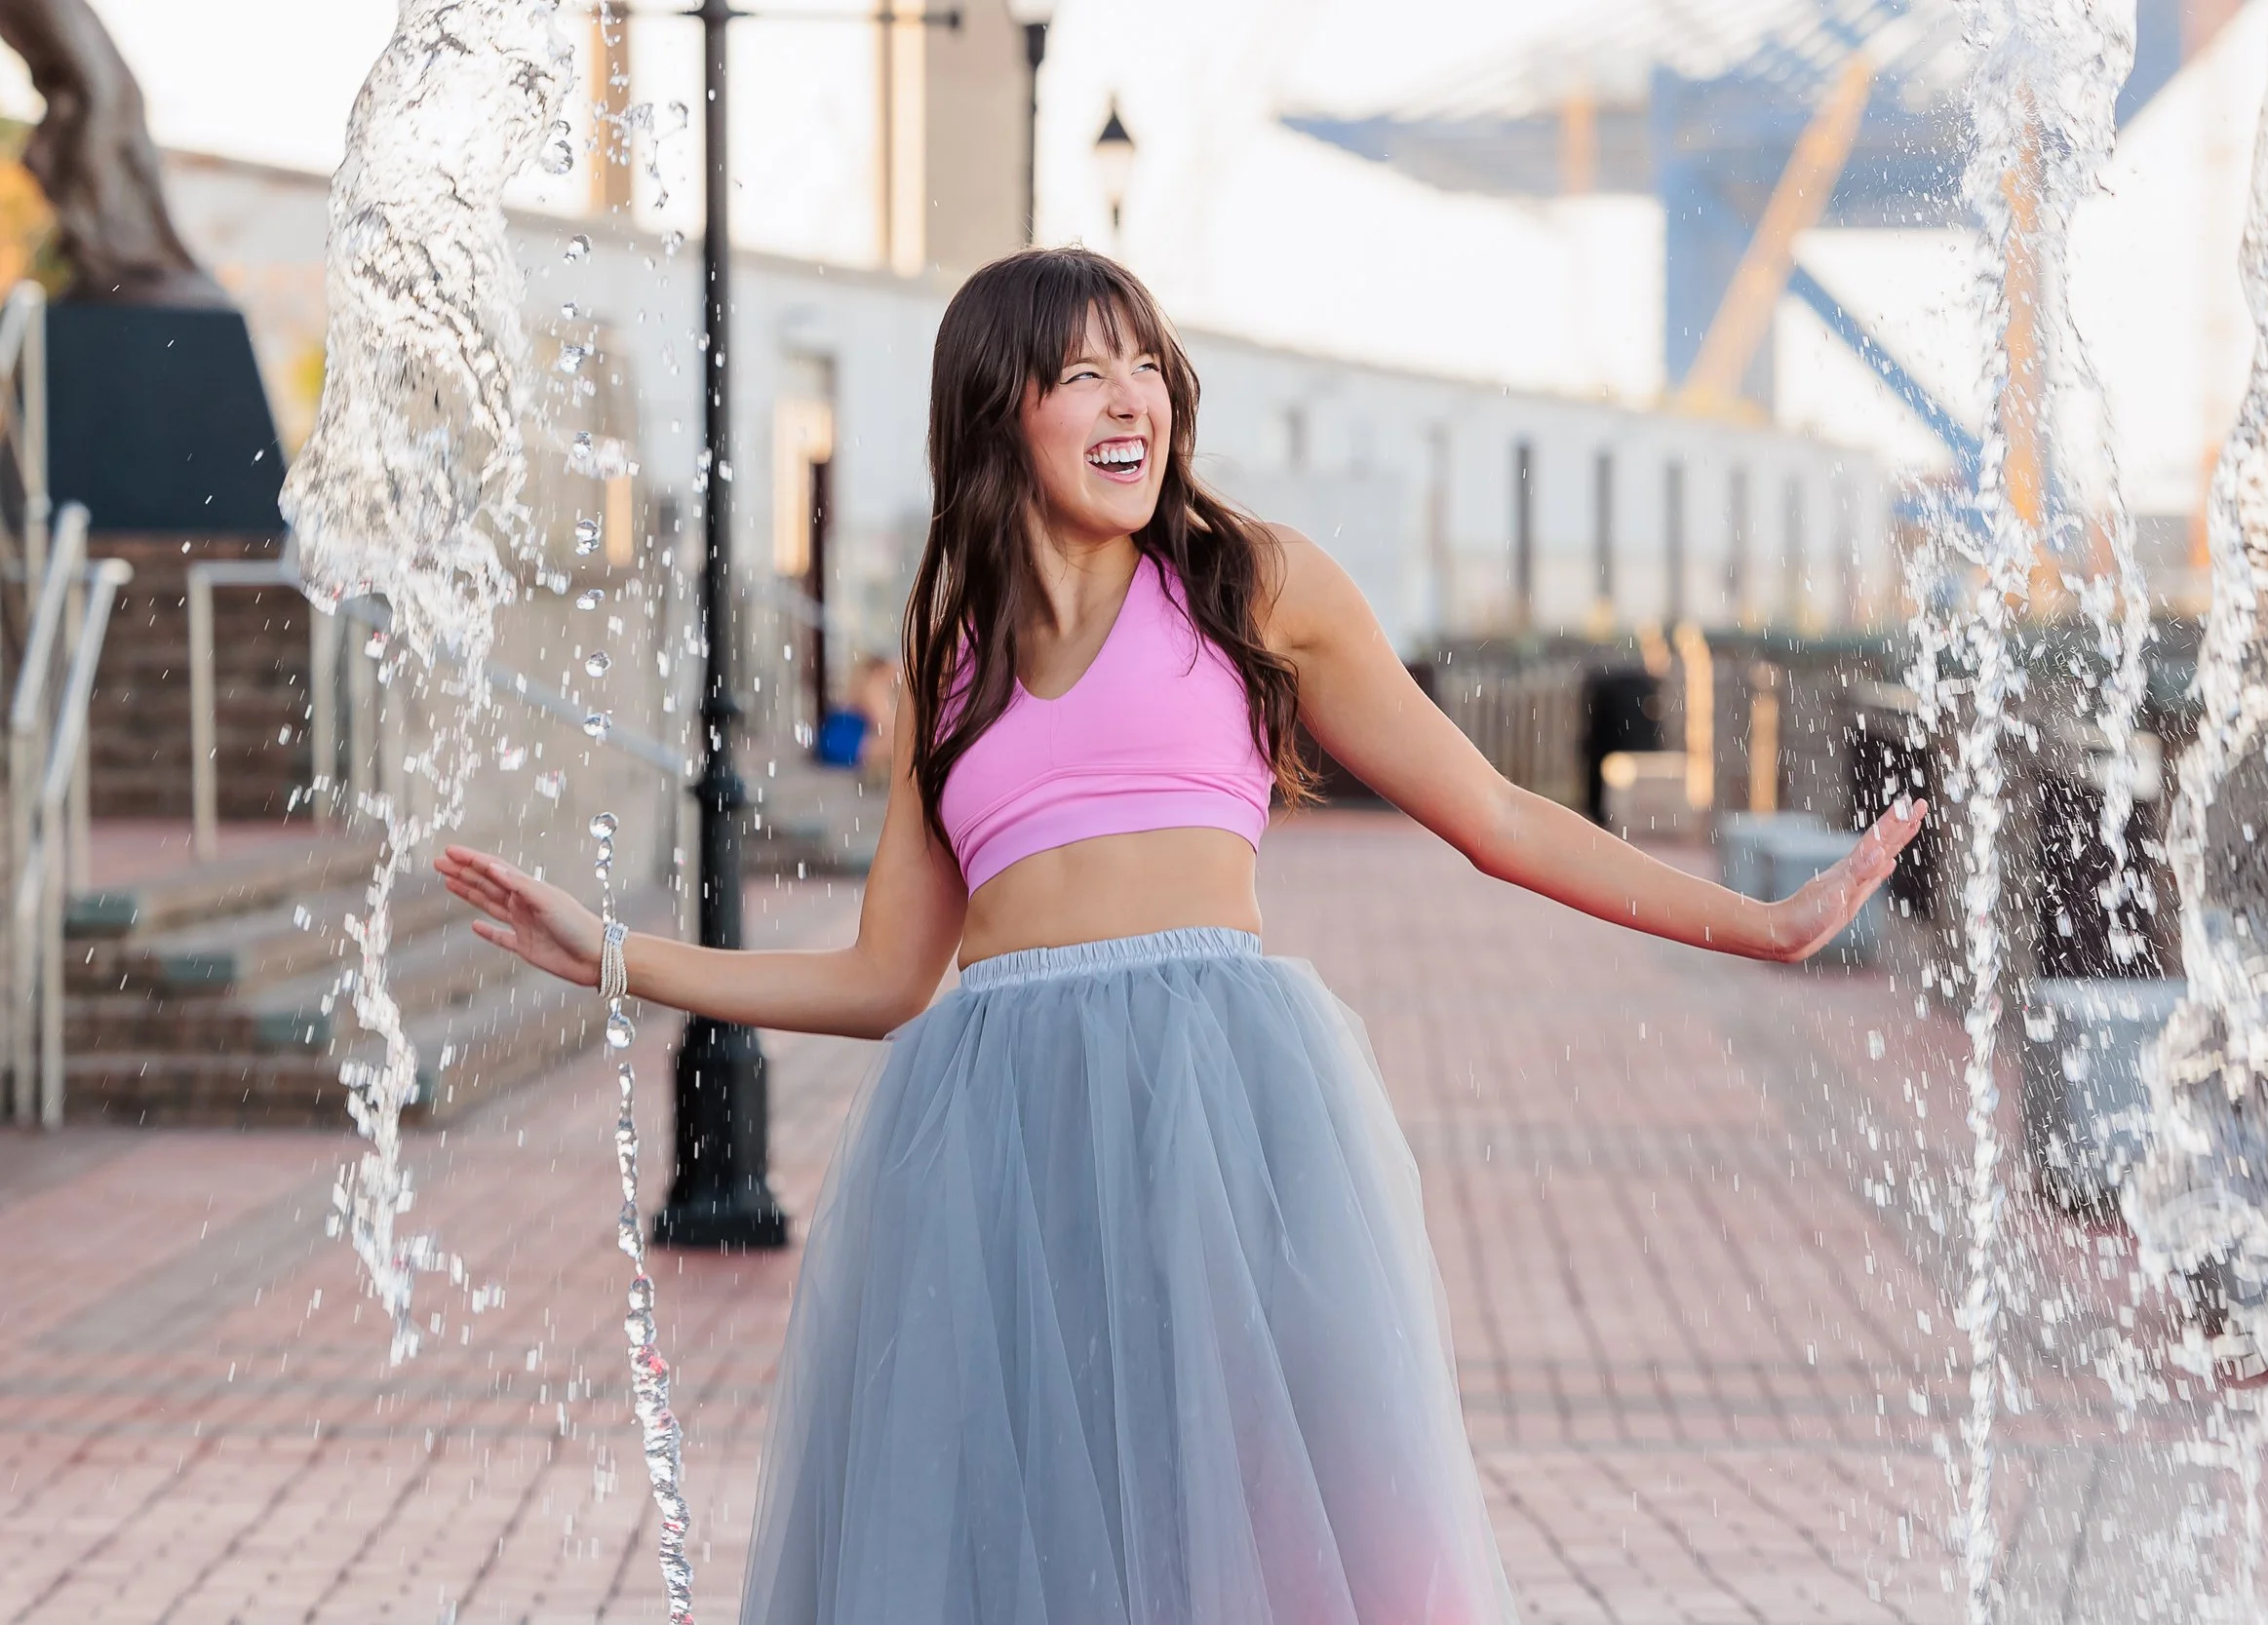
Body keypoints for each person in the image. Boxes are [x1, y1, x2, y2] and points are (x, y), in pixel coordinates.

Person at [436, 247, 1924, 1625]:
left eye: (1143, 363)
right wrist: (613, 957)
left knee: (1274, 1536)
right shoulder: (950, 652)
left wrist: (1761, 926)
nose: (1129, 395)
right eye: (1083, 372)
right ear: (996, 413)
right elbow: (886, 977)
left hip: (1221, 1116)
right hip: (997, 1153)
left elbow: (1497, 815)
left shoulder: (1255, 586)